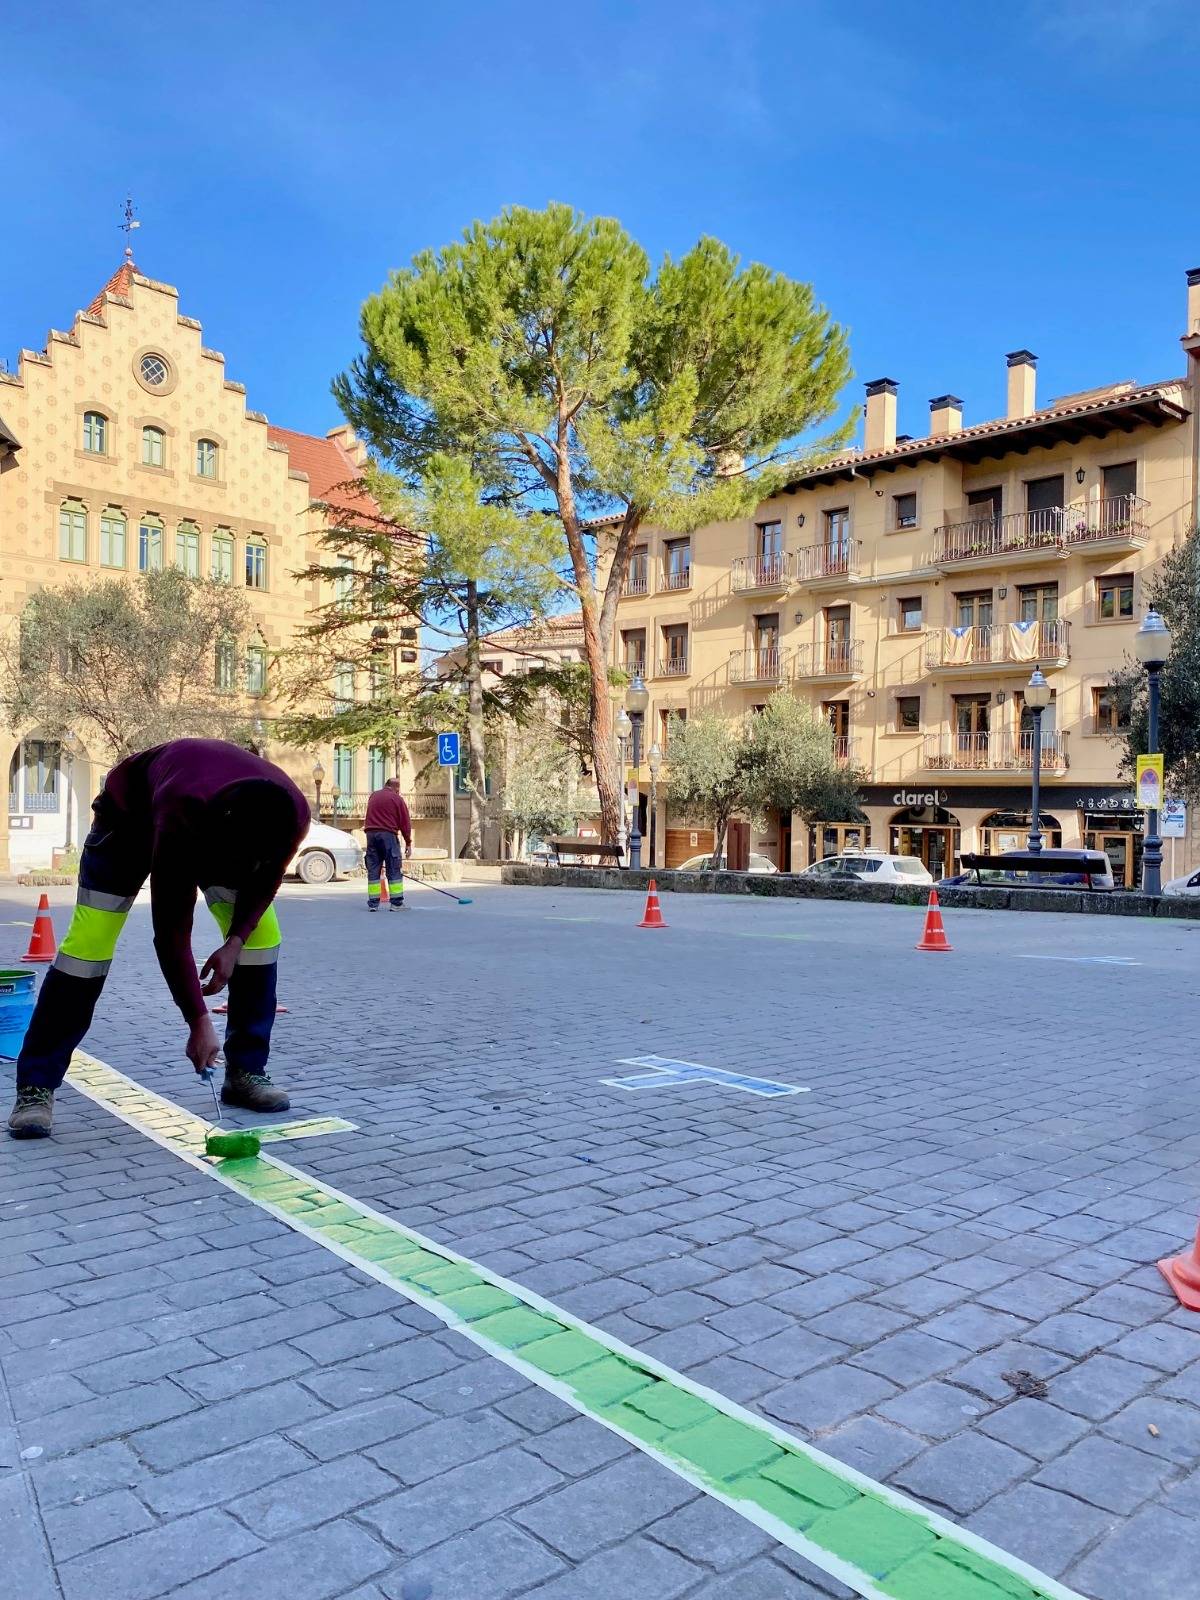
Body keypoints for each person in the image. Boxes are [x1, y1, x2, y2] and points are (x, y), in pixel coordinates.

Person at [7, 738, 309, 1140]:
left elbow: (265, 881)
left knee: (261, 936)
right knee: (88, 947)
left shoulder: (291, 813)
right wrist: (198, 1019)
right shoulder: (183, 814)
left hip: (214, 822)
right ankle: (35, 1087)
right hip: (126, 824)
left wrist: (235, 941)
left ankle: (246, 1072)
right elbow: (169, 931)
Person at [363, 776, 412, 911]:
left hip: (371, 835)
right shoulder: (397, 799)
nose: (399, 791)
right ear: (396, 787)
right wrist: (408, 842)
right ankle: (396, 904)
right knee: (393, 867)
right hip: (388, 835)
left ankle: (373, 904)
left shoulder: (374, 796)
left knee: (373, 869)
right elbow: (405, 823)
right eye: (398, 788)